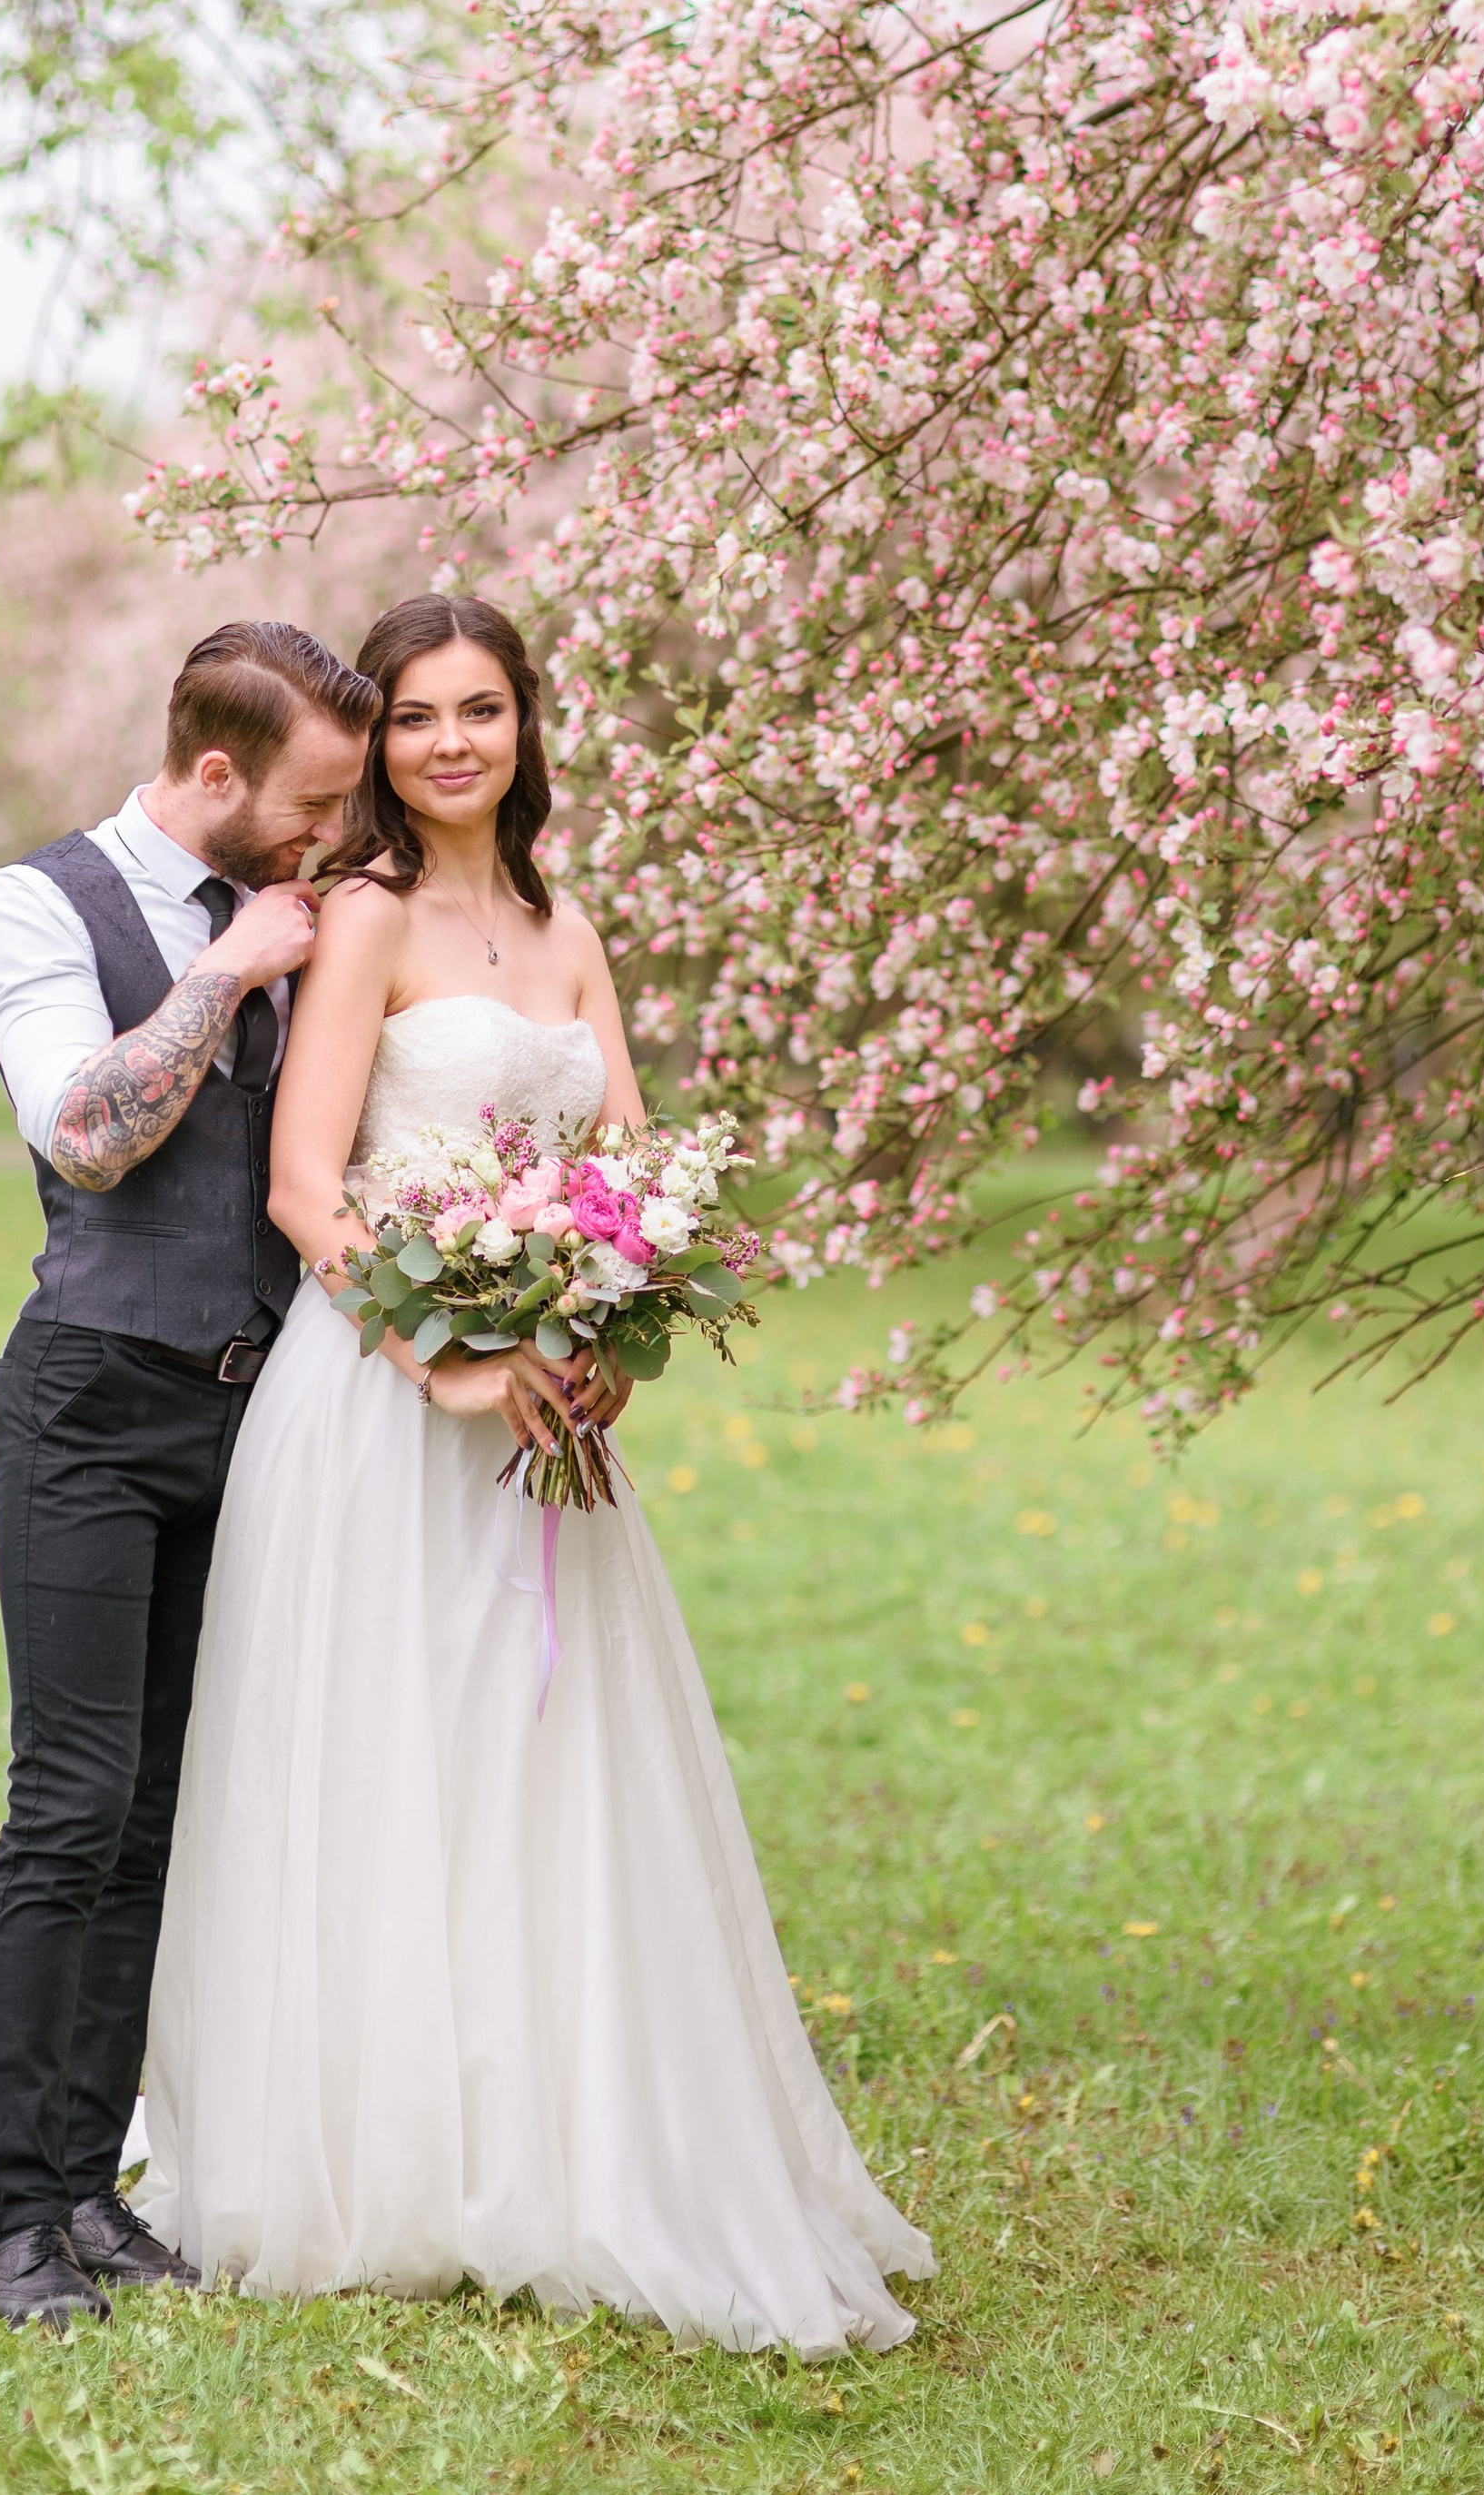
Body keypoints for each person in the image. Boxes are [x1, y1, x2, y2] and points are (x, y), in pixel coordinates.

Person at [137, 594, 935, 2354]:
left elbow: (619, 1169)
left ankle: (561, 2128)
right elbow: (303, 1187)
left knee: (536, 1759)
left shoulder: (566, 924)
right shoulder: (360, 918)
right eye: (414, 714)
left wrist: (602, 1328)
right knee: (389, 1758)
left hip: (547, 1417)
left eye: (476, 709)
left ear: (522, 726)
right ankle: (388, 2149)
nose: (444, 743)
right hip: (381, 1409)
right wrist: (452, 1357)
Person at [0, 619, 378, 2330]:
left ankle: (88, 2187)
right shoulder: (40, 903)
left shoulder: (312, 904)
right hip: (92, 1404)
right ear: (218, 775)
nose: (330, 834)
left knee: (155, 1821)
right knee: (67, 1808)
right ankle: (7, 2222)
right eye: (311, 799)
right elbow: (84, 1130)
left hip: (251, 1415)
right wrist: (223, 972)